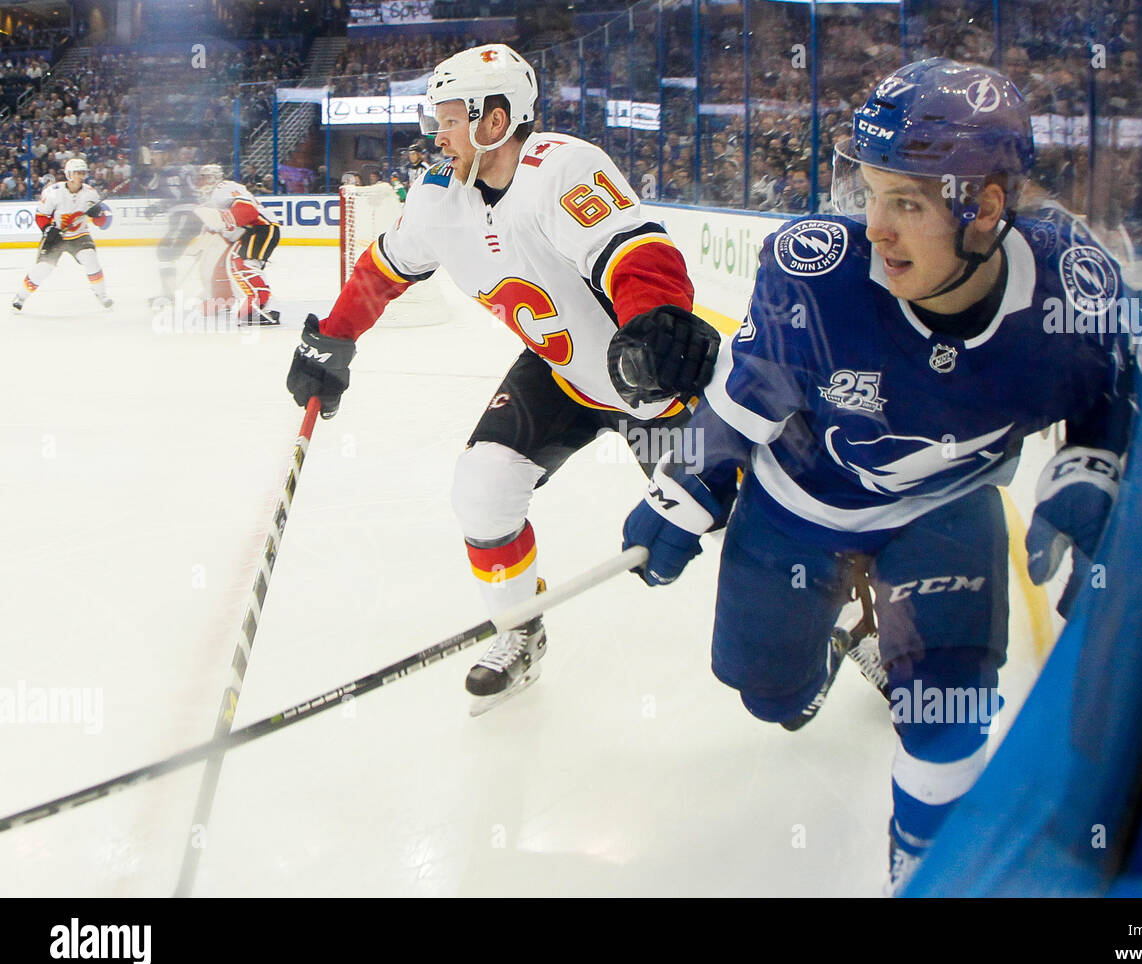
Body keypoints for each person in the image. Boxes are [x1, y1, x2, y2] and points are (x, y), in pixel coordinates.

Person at [620, 58, 1139, 894]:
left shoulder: (1069, 290)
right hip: (799, 504)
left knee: (950, 718)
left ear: (986, 209)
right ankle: (829, 647)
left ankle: (924, 873)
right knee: (767, 698)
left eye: (907, 202)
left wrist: (1095, 469)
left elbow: (1113, 388)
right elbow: (742, 405)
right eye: (871, 193)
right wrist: (686, 489)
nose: (878, 227)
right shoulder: (818, 277)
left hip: (941, 510)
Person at [285, 44, 718, 716]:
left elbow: (637, 252)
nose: (436, 134)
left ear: (494, 121)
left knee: (735, 521)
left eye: (450, 119)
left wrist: (655, 321)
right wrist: (334, 339)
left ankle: (845, 625)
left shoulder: (561, 168)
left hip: (645, 382)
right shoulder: (438, 200)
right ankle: (520, 631)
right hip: (560, 376)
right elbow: (385, 267)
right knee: (481, 490)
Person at [12, 157, 113, 311]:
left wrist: (98, 214)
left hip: (79, 235)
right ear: (69, 174)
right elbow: (40, 216)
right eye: (77, 172)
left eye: (83, 173)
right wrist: (48, 230)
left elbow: (102, 223)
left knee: (90, 258)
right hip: (57, 237)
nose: (81, 176)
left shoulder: (90, 193)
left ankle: (101, 293)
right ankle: (21, 296)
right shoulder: (54, 193)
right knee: (43, 268)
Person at [193, 163, 282, 326]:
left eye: (205, 177)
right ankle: (223, 299)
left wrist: (221, 223)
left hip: (261, 228)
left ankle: (263, 308)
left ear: (214, 177)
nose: (202, 181)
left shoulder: (223, 188)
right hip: (250, 231)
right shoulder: (213, 196)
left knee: (246, 265)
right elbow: (224, 226)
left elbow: (247, 211)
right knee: (224, 264)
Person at [144, 139, 201, 304]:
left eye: (156, 153)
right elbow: (175, 197)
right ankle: (169, 292)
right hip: (184, 215)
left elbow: (184, 196)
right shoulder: (169, 171)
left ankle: (169, 295)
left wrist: (158, 206)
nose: (153, 157)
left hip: (187, 216)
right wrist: (157, 207)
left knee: (165, 252)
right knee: (166, 253)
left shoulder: (175, 171)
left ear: (166, 154)